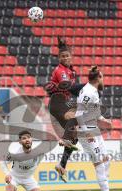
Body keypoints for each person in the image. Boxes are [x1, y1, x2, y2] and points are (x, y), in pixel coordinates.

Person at [75, 65, 122, 191]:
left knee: (106, 159)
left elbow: (94, 112)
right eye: (103, 77)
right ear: (98, 78)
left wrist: (104, 119)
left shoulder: (93, 91)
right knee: (98, 163)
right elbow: (78, 114)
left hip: (94, 128)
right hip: (87, 131)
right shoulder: (87, 92)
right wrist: (87, 132)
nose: (104, 80)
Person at [45, 36, 84, 182]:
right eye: (63, 56)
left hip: (63, 103)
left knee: (75, 137)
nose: (66, 57)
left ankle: (62, 165)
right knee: (74, 120)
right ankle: (64, 139)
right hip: (57, 103)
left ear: (71, 57)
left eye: (68, 55)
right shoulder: (60, 71)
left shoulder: (70, 70)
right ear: (59, 58)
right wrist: (86, 87)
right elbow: (68, 86)